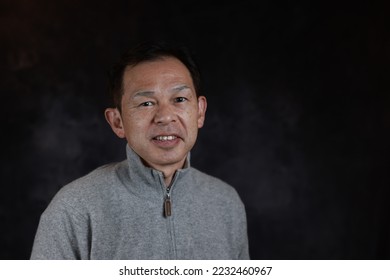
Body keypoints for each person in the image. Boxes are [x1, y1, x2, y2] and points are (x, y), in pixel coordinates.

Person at [30, 42, 249, 259]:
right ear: (118, 122)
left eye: (179, 99)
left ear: (200, 112)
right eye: (146, 103)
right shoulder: (75, 207)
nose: (165, 116)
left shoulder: (226, 202)